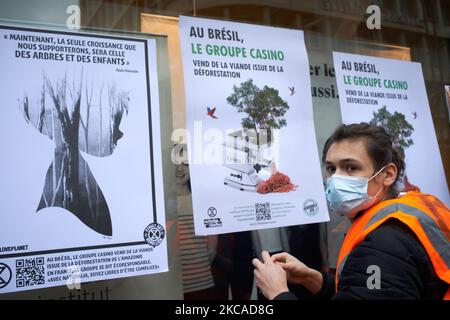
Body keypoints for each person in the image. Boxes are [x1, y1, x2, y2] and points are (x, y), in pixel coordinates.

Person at [253, 123, 450, 300]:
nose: (336, 179)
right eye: (331, 169)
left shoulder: (382, 244)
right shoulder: (408, 210)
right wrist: (313, 279)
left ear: (387, 175)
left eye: (351, 167)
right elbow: (368, 291)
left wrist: (278, 292)